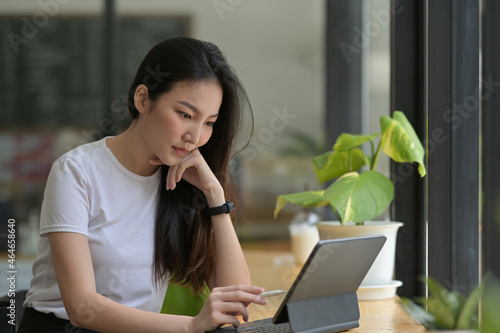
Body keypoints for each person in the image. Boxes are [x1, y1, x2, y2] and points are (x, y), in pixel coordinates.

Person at [19, 37, 265, 333]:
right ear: (143, 99)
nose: (195, 136)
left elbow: (237, 300)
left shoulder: (182, 182)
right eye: (185, 115)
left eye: (209, 122)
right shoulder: (76, 172)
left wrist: (214, 195)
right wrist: (191, 326)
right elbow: (82, 308)